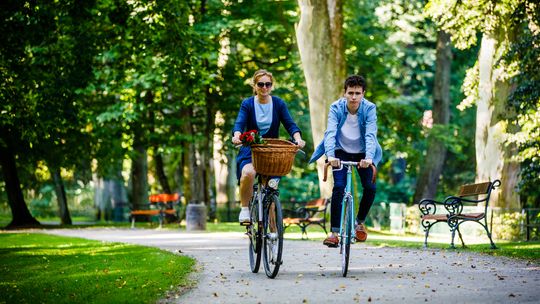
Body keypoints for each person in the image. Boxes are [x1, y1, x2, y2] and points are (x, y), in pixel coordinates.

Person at [309, 75, 382, 247]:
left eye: (358, 93)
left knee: (370, 187)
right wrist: (331, 155)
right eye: (350, 93)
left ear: (363, 94)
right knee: (339, 187)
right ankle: (334, 233)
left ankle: (359, 222)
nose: (354, 97)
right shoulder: (336, 108)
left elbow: (371, 134)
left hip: (363, 153)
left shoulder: (370, 108)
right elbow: (330, 133)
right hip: (340, 151)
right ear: (345, 93)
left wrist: (369, 158)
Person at [232, 69, 306, 224]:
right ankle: (245, 209)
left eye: (268, 84)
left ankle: (273, 233)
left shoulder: (278, 103)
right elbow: (240, 122)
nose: (264, 88)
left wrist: (298, 139)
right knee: (248, 173)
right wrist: (237, 135)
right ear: (254, 85)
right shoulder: (248, 104)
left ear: (272, 86)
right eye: (261, 84)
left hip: (272, 150)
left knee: (271, 190)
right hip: (251, 148)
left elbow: (290, 124)